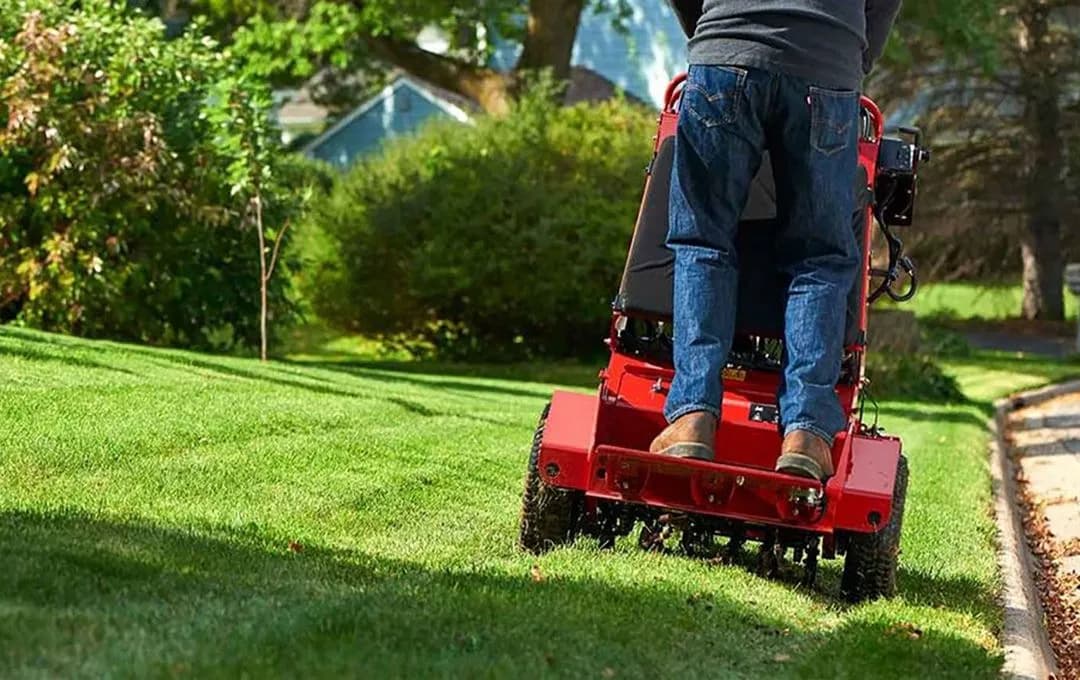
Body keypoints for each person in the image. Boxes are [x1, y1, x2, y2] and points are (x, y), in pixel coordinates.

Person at [651, 0, 903, 481]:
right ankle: (806, 433)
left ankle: (691, 419)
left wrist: (709, 34)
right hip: (826, 64)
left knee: (704, 242)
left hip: (725, 52)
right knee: (820, 258)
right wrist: (852, 57)